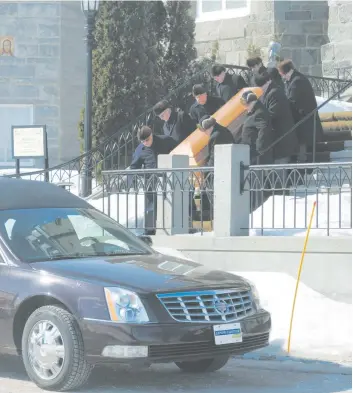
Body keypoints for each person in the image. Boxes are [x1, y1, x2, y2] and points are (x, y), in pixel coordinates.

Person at [130, 126, 177, 235]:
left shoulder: (165, 140)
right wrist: (134, 181)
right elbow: (134, 166)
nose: (145, 143)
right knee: (151, 206)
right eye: (142, 141)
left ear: (152, 135)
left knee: (168, 204)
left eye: (147, 140)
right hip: (150, 182)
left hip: (167, 180)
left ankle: (168, 228)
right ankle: (150, 231)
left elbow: (179, 150)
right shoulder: (140, 149)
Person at [278, 60, 323, 162]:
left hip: (304, 120)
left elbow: (292, 99)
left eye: (282, 74)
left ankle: (303, 169)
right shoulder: (293, 79)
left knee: (302, 147)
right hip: (301, 119)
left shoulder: (297, 81)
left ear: (286, 72)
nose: (282, 77)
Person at [254, 71, 299, 164]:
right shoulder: (269, 92)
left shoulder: (275, 93)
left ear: (268, 81)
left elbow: (272, 113)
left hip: (282, 137)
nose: (261, 88)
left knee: (280, 169)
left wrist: (259, 117)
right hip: (277, 138)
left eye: (262, 85)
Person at [240, 91, 274, 165]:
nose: (245, 107)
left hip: (256, 153)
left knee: (256, 174)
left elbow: (263, 130)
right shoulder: (253, 111)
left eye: (246, 104)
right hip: (250, 151)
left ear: (252, 102)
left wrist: (259, 149)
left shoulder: (259, 113)